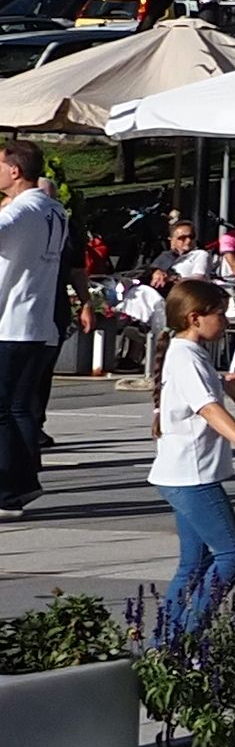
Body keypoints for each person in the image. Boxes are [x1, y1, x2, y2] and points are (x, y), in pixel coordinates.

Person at [145, 273, 235, 637]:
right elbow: (207, 409)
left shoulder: (186, 353)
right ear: (194, 318)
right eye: (220, 312)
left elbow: (204, 393)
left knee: (196, 561)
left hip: (183, 474)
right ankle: (185, 637)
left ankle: (164, 639)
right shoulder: (186, 356)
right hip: (193, 476)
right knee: (232, 555)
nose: (227, 319)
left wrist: (226, 383)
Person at [0, 137, 65, 517]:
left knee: (4, 410)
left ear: (15, 170)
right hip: (39, 320)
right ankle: (24, 482)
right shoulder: (52, 209)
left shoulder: (22, 210)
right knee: (19, 407)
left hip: (13, 322)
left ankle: (10, 489)